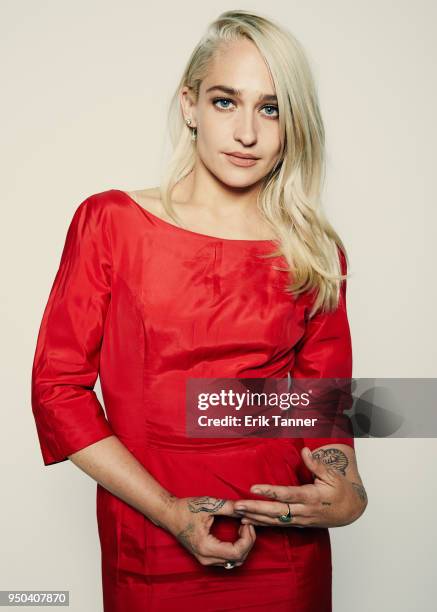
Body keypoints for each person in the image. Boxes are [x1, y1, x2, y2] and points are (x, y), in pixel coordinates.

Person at [31, 9, 368, 612]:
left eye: (271, 108)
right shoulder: (112, 223)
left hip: (284, 552)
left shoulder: (315, 250)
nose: (247, 132)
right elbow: (59, 390)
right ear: (189, 105)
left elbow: (323, 403)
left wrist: (350, 490)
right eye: (224, 102)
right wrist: (169, 513)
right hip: (151, 540)